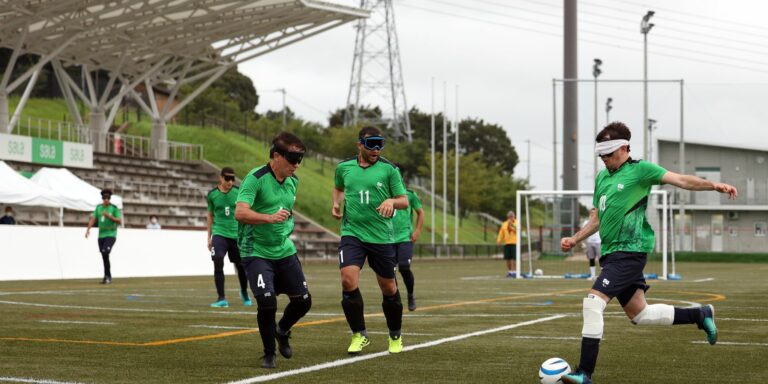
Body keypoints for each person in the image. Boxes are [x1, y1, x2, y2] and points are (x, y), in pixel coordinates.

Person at [559, 122, 737, 384]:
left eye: (608, 155)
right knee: (640, 315)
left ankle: (584, 373)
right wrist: (575, 238)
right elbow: (597, 218)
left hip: (630, 251)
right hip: (610, 254)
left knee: (593, 302)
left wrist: (714, 185)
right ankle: (701, 314)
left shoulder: (641, 170)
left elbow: (681, 180)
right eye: (601, 156)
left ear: (623, 148)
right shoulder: (601, 177)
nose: (604, 160)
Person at [235, 132, 312, 369]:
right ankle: (269, 353)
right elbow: (240, 212)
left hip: (284, 250)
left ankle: (282, 330)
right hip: (256, 250)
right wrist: (268, 218)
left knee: (303, 302)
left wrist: (285, 226)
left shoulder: (293, 181)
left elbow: (286, 211)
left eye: (299, 161)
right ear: (276, 156)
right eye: (292, 160)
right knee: (267, 302)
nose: (296, 166)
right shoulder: (255, 178)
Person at [332, 126, 408, 355]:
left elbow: (404, 200)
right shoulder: (343, 168)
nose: (376, 149)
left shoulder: (389, 170)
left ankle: (395, 335)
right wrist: (336, 203)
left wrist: (392, 202)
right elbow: (338, 188)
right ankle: (359, 334)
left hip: (381, 237)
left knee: (388, 287)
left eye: (380, 144)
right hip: (352, 233)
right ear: (359, 145)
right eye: (371, 144)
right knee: (347, 279)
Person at [207, 167, 251, 308]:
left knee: (241, 267)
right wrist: (209, 236)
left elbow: (246, 211)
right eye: (227, 179)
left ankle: (244, 292)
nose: (230, 182)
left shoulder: (239, 193)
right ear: (221, 178)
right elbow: (210, 215)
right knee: (218, 260)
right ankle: (221, 298)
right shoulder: (212, 195)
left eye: (232, 179)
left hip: (236, 235)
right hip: (219, 233)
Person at [392, 167, 424, 311]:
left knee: (404, 267)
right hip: (387, 238)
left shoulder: (409, 195)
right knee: (389, 272)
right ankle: (394, 298)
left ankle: (410, 295)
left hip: (405, 237)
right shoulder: (384, 193)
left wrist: (417, 230)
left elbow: (420, 212)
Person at [85, 189, 122, 284]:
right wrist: (88, 229)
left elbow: (119, 221)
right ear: (102, 198)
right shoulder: (98, 208)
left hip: (111, 234)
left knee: (106, 252)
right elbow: (93, 218)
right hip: (101, 235)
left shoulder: (114, 208)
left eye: (108, 198)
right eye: (104, 197)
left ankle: (107, 276)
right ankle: (107, 276)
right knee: (104, 256)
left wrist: (109, 216)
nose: (106, 199)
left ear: (110, 198)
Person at [496, 211, 518, 278]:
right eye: (509, 217)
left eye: (512, 216)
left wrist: (510, 225)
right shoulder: (504, 224)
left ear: (514, 216)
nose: (511, 218)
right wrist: (499, 240)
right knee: (508, 258)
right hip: (507, 243)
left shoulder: (517, 222)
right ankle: (510, 272)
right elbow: (501, 233)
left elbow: (516, 230)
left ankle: (515, 272)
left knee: (515, 258)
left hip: (514, 243)